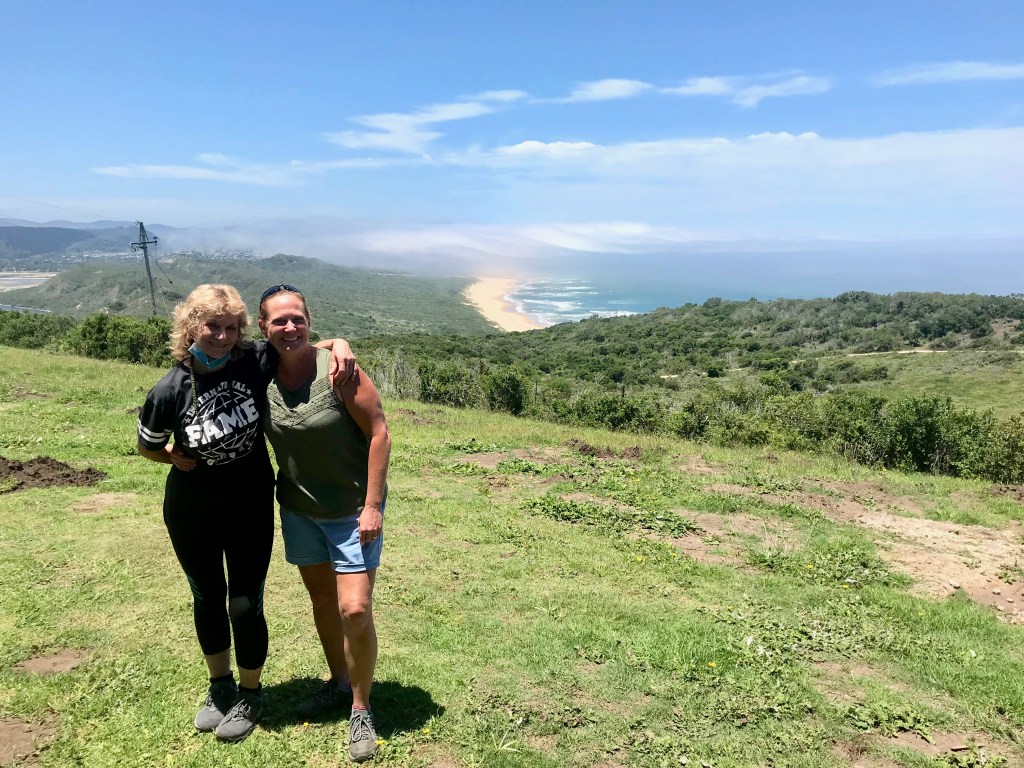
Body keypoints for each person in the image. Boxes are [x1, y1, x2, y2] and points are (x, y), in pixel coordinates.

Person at [136, 284, 354, 743]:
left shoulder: (253, 360)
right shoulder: (169, 389)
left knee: (244, 602)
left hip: (251, 505)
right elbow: (147, 446)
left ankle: (251, 693)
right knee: (207, 598)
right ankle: (220, 687)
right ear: (191, 327)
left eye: (230, 328)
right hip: (192, 511)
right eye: (211, 326)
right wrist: (172, 456)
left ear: (241, 331)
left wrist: (342, 345)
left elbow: (307, 344)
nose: (220, 336)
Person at [257, 284, 391, 763]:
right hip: (297, 508)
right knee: (320, 599)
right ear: (263, 328)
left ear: (310, 320)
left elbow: (379, 430)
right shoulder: (260, 367)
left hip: (351, 510)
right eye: (279, 321)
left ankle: (360, 707)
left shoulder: (339, 369)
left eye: (298, 318)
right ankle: (337, 681)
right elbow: (211, 349)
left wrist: (373, 505)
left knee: (354, 608)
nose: (289, 327)